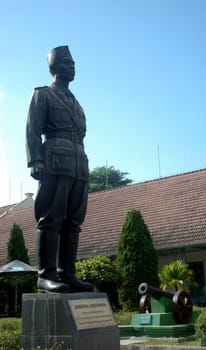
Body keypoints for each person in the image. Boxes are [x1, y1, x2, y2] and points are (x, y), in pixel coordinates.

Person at [26, 45, 94, 293]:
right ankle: (46, 275)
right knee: (50, 218)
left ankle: (68, 274)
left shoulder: (77, 104)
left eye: (73, 63)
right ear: (55, 67)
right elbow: (33, 129)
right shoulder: (43, 94)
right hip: (55, 160)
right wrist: (35, 160)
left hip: (78, 163)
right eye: (67, 62)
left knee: (73, 222)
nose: (72, 66)